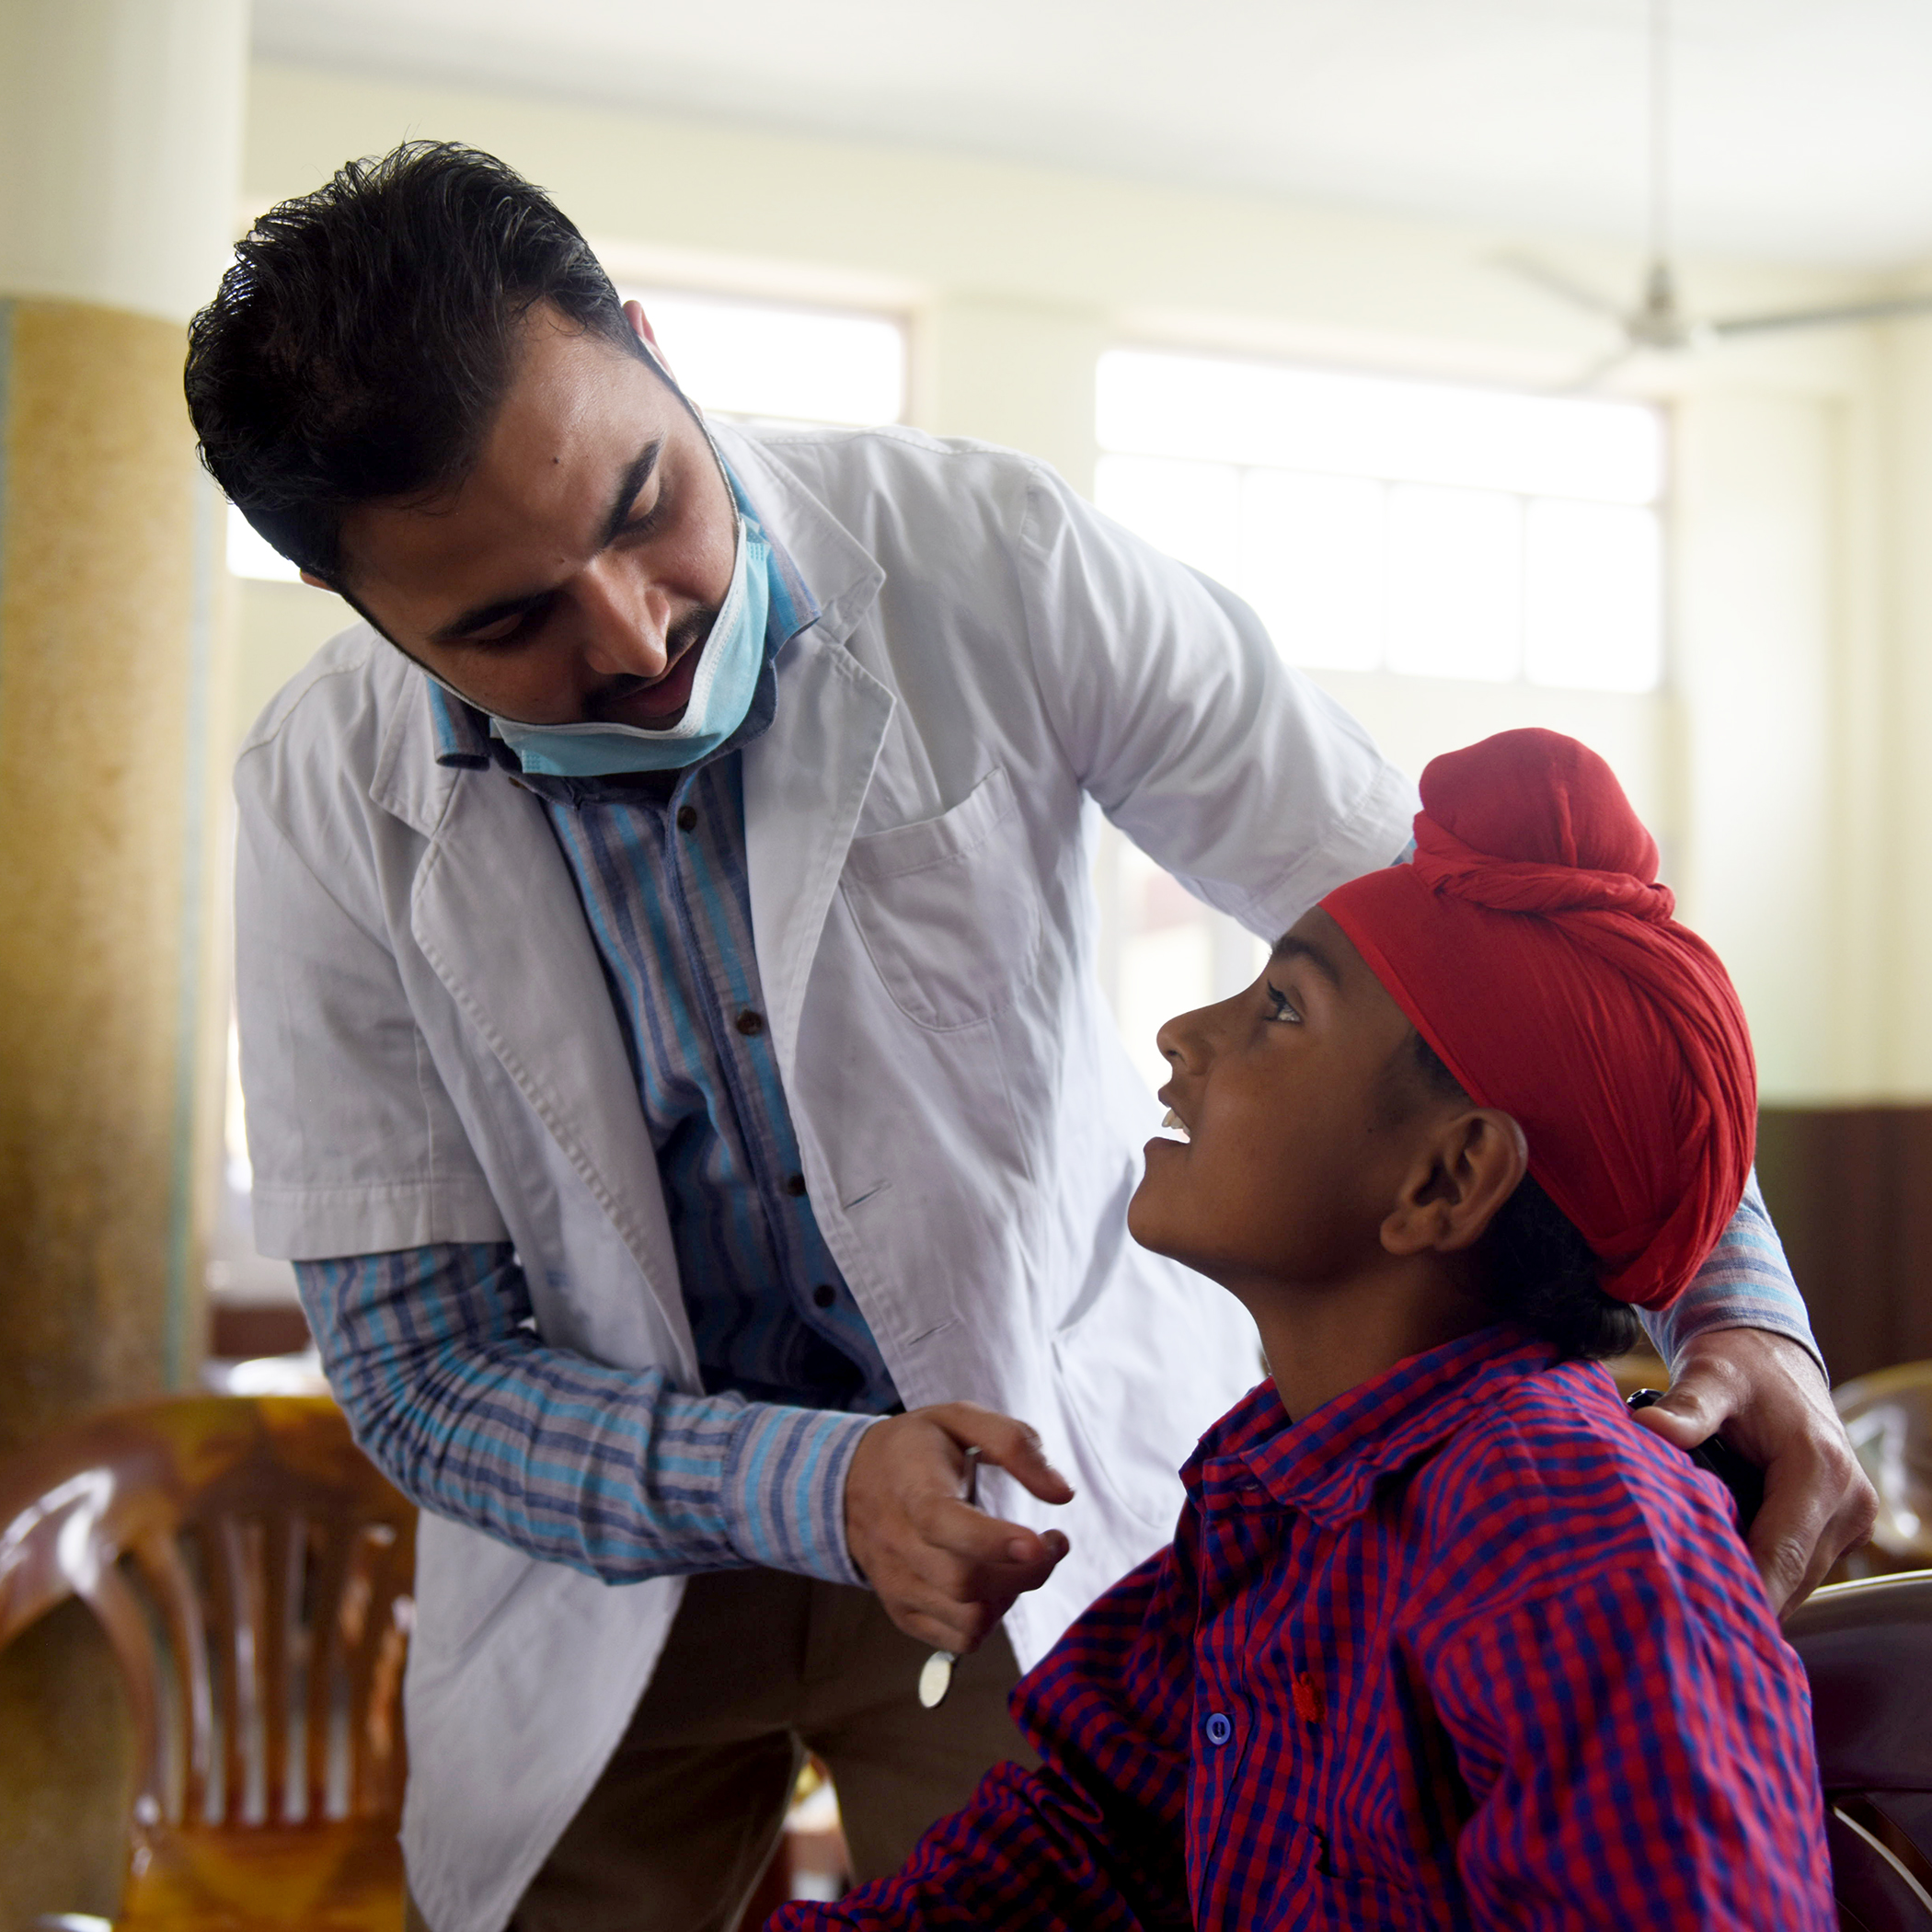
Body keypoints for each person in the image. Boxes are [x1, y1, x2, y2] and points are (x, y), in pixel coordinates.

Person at [182, 144, 1868, 1932]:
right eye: (508, 622)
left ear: (655, 352)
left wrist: (1731, 1302)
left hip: (1036, 1500)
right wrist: (814, 1486)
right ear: (365, 614)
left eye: (640, 505)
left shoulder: (995, 562)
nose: (637, 630)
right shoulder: (324, 799)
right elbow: (424, 1372)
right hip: (619, 1556)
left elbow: (1512, 956)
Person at [776, 729, 1836, 1931]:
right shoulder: (1279, 1492)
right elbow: (1084, 1842)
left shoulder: (1566, 1530)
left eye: (1282, 1006)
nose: (1183, 1035)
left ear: (1446, 1179)